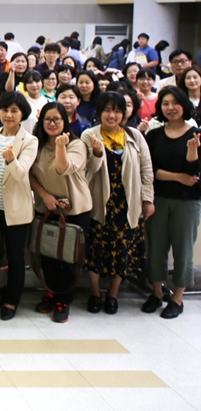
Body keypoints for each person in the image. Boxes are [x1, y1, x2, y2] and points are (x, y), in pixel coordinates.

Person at [81, 92, 154, 315]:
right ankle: (95, 292)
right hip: (98, 203)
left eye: (117, 110)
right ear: (99, 112)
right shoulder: (89, 135)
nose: (112, 115)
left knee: (122, 251)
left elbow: (146, 169)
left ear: (124, 113)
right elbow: (86, 171)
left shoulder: (134, 136)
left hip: (128, 204)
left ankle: (112, 294)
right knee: (95, 251)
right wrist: (96, 152)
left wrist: (147, 199)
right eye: (107, 110)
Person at [30, 102, 93, 323]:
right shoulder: (35, 145)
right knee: (47, 255)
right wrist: (45, 195)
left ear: (65, 121)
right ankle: (51, 291)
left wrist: (60, 146)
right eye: (47, 119)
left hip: (74, 209)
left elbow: (62, 168)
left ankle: (63, 300)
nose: (52, 123)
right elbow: (29, 175)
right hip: (47, 208)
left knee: (67, 258)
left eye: (57, 119)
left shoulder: (76, 145)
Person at [143, 87, 201, 319]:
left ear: (184, 105)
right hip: (158, 199)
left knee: (183, 250)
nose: (170, 107)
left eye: (175, 103)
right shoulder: (155, 135)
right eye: (165, 103)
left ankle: (177, 298)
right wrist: (178, 177)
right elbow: (150, 171)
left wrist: (192, 154)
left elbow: (194, 175)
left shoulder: (195, 134)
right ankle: (157, 293)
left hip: (187, 202)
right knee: (155, 247)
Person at [0, 92, 38, 320]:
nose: (9, 114)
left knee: (15, 258)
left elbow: (21, 173)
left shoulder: (30, 140)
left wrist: (11, 159)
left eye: (14, 111)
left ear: (22, 114)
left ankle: (12, 301)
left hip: (16, 210)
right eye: (5, 110)